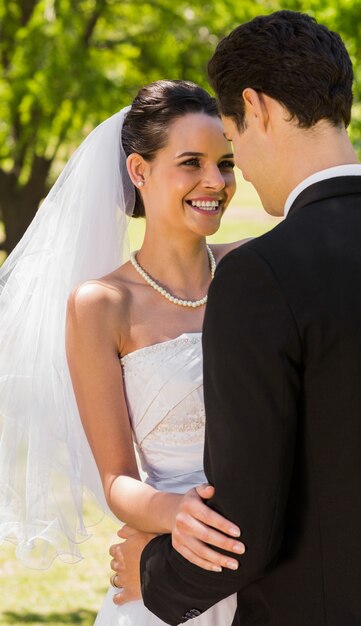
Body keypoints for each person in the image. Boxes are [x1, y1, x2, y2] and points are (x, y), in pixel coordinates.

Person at [114, 10, 361, 626]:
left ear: (259, 108)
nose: (240, 169)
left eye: (233, 137)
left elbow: (243, 525)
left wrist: (153, 570)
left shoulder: (260, 275)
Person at [0, 79, 246, 624]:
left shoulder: (252, 271)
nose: (216, 181)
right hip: (168, 565)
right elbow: (117, 481)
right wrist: (178, 516)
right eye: (192, 162)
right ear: (139, 171)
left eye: (225, 162)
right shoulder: (101, 306)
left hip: (266, 567)